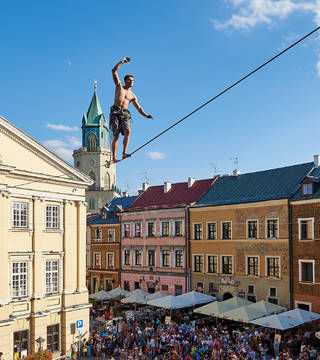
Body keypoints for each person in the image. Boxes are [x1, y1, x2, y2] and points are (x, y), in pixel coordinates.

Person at [110, 57, 153, 162]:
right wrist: (122, 61)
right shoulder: (119, 86)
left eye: (133, 80)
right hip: (115, 112)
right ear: (125, 80)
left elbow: (138, 107)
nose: (131, 81)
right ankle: (114, 157)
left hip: (125, 114)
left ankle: (124, 153)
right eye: (129, 80)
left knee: (128, 131)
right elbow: (113, 71)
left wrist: (146, 115)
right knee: (115, 135)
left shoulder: (132, 95)